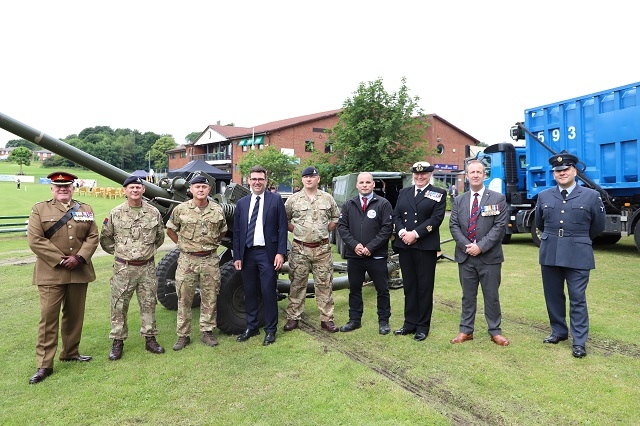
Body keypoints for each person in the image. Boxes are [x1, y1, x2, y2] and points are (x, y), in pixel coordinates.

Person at [26, 171, 99, 384]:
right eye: (58, 187)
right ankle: (44, 365)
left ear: (72, 188)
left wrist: (80, 257)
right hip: (51, 273)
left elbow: (93, 236)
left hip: (78, 270)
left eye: (66, 186)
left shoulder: (85, 209)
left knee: (74, 316)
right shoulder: (40, 209)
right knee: (48, 318)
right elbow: (35, 240)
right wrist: (60, 259)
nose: (62, 189)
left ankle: (70, 352)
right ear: (52, 189)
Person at [535, 152, 605, 358]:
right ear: (554, 173)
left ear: (575, 170)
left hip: (578, 253)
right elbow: (540, 223)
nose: (562, 173)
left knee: (577, 298)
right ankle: (558, 331)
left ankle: (579, 341)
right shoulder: (544, 196)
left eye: (566, 169)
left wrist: (577, 238)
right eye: (558, 170)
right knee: (553, 296)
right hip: (550, 252)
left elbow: (598, 226)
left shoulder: (591, 196)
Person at [99, 176, 166, 361]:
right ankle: (118, 341)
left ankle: (150, 338)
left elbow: (159, 237)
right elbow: (105, 238)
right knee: (119, 305)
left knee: (149, 304)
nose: (135, 190)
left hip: (147, 268)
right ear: (125, 190)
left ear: (143, 190)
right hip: (124, 268)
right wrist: (122, 252)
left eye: (138, 187)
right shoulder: (116, 213)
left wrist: (145, 252)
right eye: (131, 188)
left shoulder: (153, 212)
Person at [449, 160, 510, 346]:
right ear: (466, 176)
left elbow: (499, 227)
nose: (475, 175)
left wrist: (480, 247)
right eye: (472, 172)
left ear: (485, 175)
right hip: (465, 256)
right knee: (468, 296)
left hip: (489, 257)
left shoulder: (497, 198)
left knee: (491, 296)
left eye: (479, 172)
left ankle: (495, 331)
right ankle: (466, 331)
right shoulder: (459, 200)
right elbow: (454, 225)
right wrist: (468, 245)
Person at [166, 175, 227, 350]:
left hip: (209, 259)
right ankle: (183, 335)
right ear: (191, 190)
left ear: (209, 190)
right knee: (184, 298)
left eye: (204, 187)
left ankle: (207, 331)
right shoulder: (181, 209)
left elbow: (222, 230)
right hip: (188, 260)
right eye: (197, 187)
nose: (200, 190)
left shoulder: (217, 210)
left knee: (210, 297)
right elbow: (171, 229)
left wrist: (211, 244)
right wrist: (182, 245)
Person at [233, 166, 288, 346]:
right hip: (248, 253)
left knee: (267, 291)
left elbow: (282, 229)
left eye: (260, 179)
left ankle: (270, 330)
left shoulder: (276, 200)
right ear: (248, 180)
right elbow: (238, 232)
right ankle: (252, 326)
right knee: (249, 291)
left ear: (266, 181)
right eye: (254, 179)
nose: (257, 182)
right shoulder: (242, 203)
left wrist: (281, 252)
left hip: (268, 253)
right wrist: (238, 256)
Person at [392, 161, 446, 341]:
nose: (420, 177)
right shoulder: (404, 192)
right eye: (416, 174)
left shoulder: (438, 193)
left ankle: (423, 326)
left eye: (424, 174)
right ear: (413, 175)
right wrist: (401, 233)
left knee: (424, 287)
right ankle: (409, 323)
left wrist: (415, 234)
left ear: (430, 174)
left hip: (424, 246)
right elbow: (397, 215)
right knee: (409, 286)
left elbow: (436, 219)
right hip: (405, 245)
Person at [283, 166, 340, 333]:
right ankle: (293, 318)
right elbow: (285, 219)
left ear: (318, 179)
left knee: (324, 284)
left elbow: (336, 217)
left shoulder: (327, 198)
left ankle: (327, 319)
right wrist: (298, 231)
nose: (309, 179)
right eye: (306, 177)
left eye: (312, 177)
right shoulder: (293, 200)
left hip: (322, 250)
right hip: (300, 249)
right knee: (297, 284)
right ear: (302, 180)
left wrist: (324, 231)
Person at [337, 172, 394, 335]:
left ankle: (384, 322)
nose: (364, 185)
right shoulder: (349, 204)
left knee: (382, 290)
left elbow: (386, 229)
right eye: (361, 182)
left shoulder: (383, 204)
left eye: (367, 182)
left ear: (373, 184)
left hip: (376, 256)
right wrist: (354, 245)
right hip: (355, 256)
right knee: (355, 289)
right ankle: (354, 320)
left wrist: (370, 247)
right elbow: (342, 227)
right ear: (356, 185)